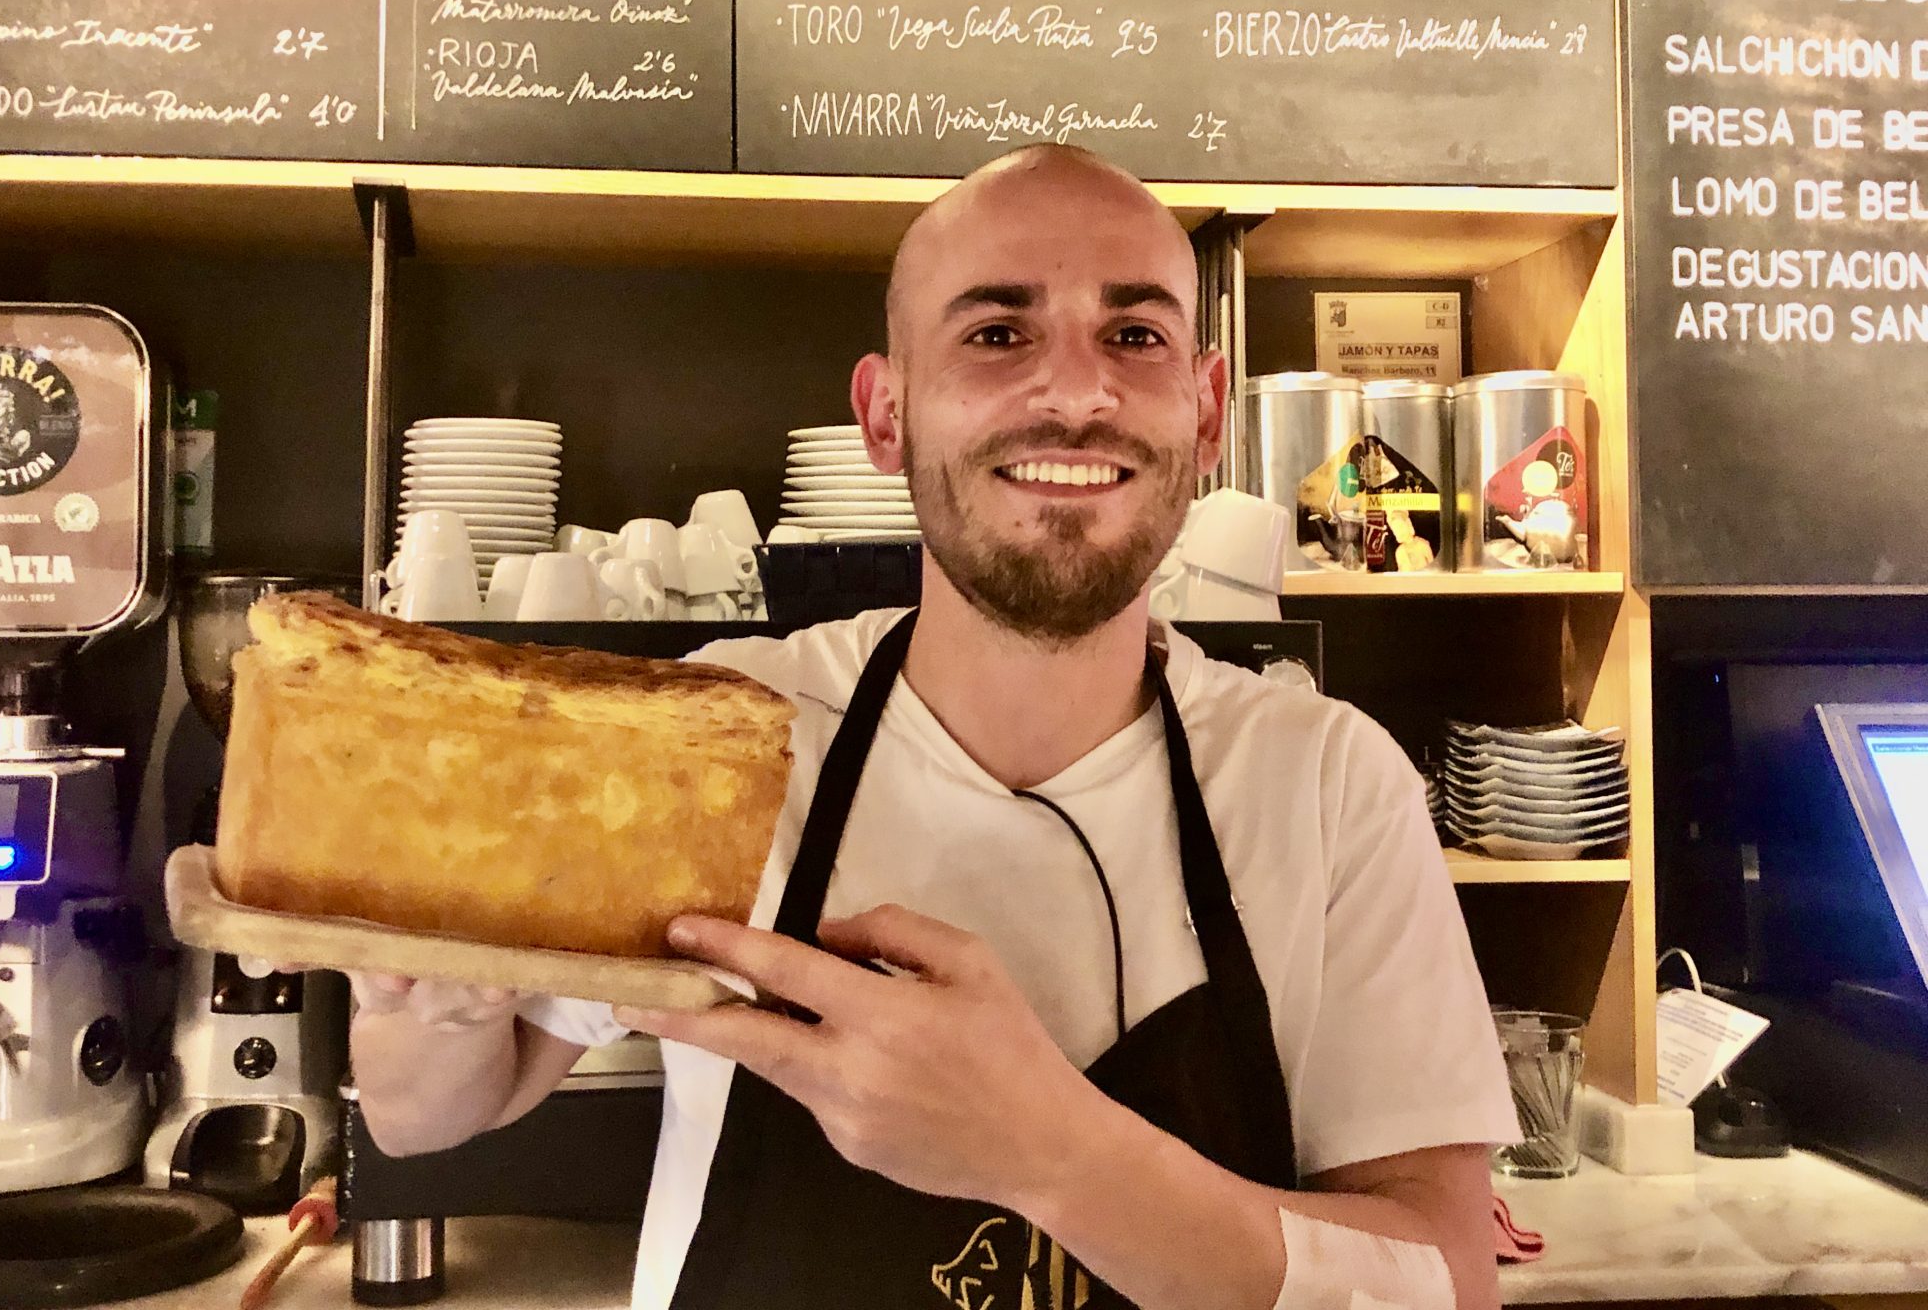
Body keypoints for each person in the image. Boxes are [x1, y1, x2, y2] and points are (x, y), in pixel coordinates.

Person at [345, 145, 1517, 1310]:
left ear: (1205, 412)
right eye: (997, 335)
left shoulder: (1324, 782)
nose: (1074, 393)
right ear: (885, 414)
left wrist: (1046, 1153)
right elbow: (424, 1113)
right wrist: (433, 992)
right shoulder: (724, 735)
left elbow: (1446, 1278)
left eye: (1134, 335)